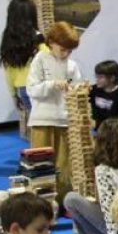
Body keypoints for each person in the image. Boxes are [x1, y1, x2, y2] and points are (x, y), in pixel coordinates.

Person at [26, 20, 84, 204]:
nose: (66, 53)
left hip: (65, 121)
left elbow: (77, 88)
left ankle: (65, 201)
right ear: (51, 42)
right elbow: (32, 89)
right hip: (42, 120)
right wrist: (52, 85)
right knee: (40, 165)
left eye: (70, 50)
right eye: (63, 49)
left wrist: (79, 90)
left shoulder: (72, 66)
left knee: (65, 165)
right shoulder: (40, 60)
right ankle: (41, 204)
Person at [0, 0, 42, 138]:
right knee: (46, 125)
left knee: (36, 124)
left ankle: (37, 154)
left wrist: (13, 95)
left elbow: (8, 70)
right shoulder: (38, 37)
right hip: (40, 86)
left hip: (23, 89)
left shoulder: (8, 39)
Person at [89, 60, 118, 129]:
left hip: (111, 134)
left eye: (100, 77)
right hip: (95, 132)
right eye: (96, 76)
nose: (97, 79)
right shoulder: (93, 89)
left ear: (112, 78)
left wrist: (99, 125)